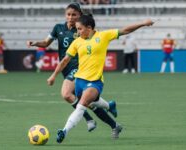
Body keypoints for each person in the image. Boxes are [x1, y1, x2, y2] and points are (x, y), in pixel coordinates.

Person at [47, 14, 154, 143]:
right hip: (79, 81)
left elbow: (125, 30)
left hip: (95, 81)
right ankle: (111, 113)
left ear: (89, 27)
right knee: (92, 105)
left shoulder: (103, 36)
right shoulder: (77, 42)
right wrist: (54, 75)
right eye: (77, 29)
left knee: (82, 105)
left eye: (80, 29)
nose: (77, 32)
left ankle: (64, 131)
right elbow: (65, 60)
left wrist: (143, 23)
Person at [27, 3, 122, 138]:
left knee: (66, 94)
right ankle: (112, 120)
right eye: (68, 14)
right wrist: (35, 43)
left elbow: (95, 38)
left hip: (79, 68)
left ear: (80, 16)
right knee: (90, 103)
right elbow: (46, 43)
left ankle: (88, 120)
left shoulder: (82, 31)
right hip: (66, 68)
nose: (70, 17)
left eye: (74, 15)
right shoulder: (58, 28)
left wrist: (53, 75)